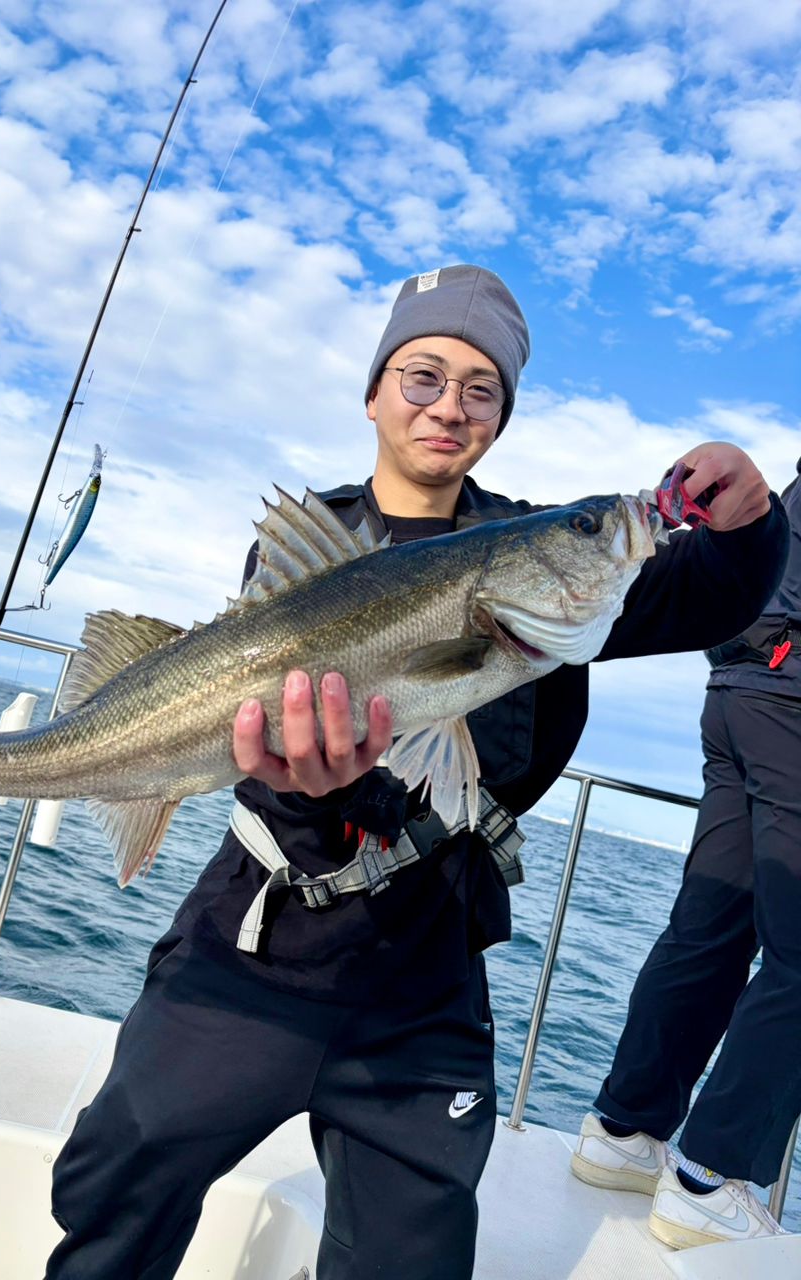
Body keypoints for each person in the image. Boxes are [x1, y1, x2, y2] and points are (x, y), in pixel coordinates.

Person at [45, 264, 787, 1280]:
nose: (451, 404)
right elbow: (265, 752)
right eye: (424, 373)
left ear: (503, 416)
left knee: (411, 1257)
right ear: (374, 390)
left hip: (426, 959)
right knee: (114, 1198)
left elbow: (707, 599)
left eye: (483, 388)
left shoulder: (542, 558)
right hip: (259, 938)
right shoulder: (306, 553)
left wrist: (752, 522)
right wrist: (323, 799)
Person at [572, 459, 801, 1251]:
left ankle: (624, 1134)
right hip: (795, 701)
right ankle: (713, 1176)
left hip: (741, 689)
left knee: (712, 927)